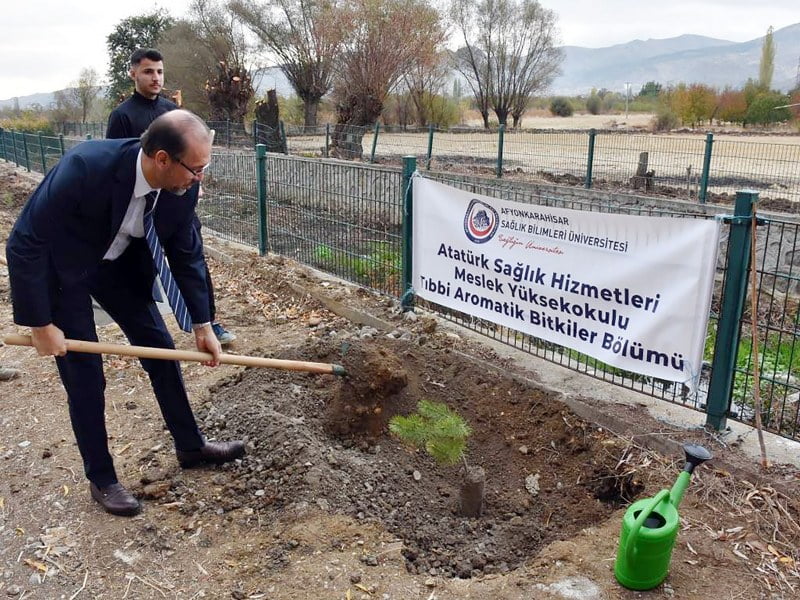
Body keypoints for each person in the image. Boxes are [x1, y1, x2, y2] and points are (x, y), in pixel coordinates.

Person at [6, 110, 245, 517]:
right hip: (65, 270)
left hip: (119, 267)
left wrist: (202, 323)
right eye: (196, 168)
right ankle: (102, 477)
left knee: (160, 350)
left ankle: (190, 445)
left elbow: (186, 253)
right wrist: (41, 324)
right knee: (86, 376)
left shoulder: (181, 188)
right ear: (163, 159)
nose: (199, 179)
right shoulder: (86, 167)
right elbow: (24, 242)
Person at [107, 48, 236, 345]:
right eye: (148, 71)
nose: (155, 78)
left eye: (160, 72)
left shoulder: (174, 112)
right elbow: (122, 164)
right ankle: (145, 326)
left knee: (193, 262)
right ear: (133, 74)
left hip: (178, 205)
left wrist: (194, 184)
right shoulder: (123, 116)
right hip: (144, 210)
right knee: (143, 266)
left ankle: (208, 322)